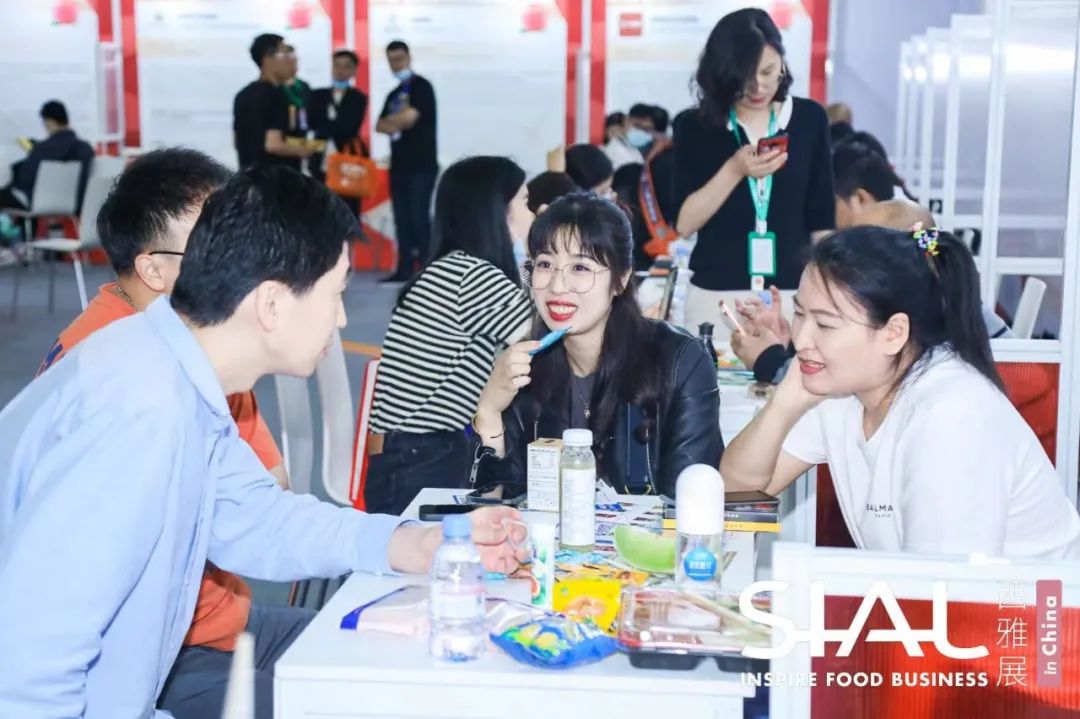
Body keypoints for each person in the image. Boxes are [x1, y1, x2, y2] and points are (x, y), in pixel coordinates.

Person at [0, 165, 525, 719]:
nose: (342, 318)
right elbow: (29, 673)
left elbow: (254, 517)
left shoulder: (174, 374)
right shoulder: (138, 411)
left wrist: (418, 543)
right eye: (335, 294)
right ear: (272, 304)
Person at [32, 148, 303, 718]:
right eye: (215, 245)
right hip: (159, 654)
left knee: (370, 653)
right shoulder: (123, 371)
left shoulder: (190, 335)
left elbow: (267, 493)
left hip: (218, 620)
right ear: (153, 270)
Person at [720, 225, 1080, 559]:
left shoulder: (952, 415)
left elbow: (943, 587)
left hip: (1031, 607)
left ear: (893, 333)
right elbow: (732, 499)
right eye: (800, 314)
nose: (801, 339)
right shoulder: (843, 389)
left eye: (825, 324)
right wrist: (783, 404)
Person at [470, 192, 723, 498]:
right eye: (545, 264)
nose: (557, 286)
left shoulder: (680, 361)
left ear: (620, 280)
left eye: (580, 268)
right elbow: (495, 511)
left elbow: (690, 500)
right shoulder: (525, 368)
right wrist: (489, 412)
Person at [364, 157, 535, 514]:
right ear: (497, 212)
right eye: (525, 201)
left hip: (407, 457)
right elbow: (543, 340)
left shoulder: (452, 268)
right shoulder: (471, 276)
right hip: (422, 461)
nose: (533, 214)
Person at [673, 8, 835, 340]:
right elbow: (685, 223)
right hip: (716, 296)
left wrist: (829, 294)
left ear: (782, 64)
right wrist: (734, 170)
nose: (758, 87)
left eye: (768, 72)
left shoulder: (809, 120)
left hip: (792, 296)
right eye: (744, 77)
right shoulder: (695, 126)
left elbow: (822, 222)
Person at [732, 200, 1012, 385]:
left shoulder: (926, 321)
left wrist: (770, 361)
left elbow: (840, 387)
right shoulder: (941, 295)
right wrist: (791, 346)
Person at [376, 40, 438, 283]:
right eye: (392, 60)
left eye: (400, 59)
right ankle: (404, 268)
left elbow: (408, 120)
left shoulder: (422, 87)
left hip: (421, 166)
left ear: (409, 58)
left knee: (418, 217)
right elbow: (380, 126)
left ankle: (427, 269)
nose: (396, 64)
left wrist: (395, 122)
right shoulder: (394, 93)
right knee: (401, 219)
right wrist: (396, 121)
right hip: (399, 166)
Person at [233, 34, 313, 171]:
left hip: (248, 177)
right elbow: (273, 145)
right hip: (276, 178)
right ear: (268, 59)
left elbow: (236, 141)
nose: (291, 60)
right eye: (285, 54)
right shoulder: (278, 96)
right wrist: (304, 150)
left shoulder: (243, 95)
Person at [1, 100, 93, 213]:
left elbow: (25, 178)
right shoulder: (86, 149)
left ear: (49, 121)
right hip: (76, 205)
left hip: (35, 203)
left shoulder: (42, 149)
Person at [311, 50, 370, 181]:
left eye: (346, 66)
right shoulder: (318, 95)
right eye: (336, 65)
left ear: (354, 71)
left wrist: (327, 125)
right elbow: (313, 123)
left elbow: (349, 128)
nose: (340, 70)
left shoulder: (358, 98)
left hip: (348, 158)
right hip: (319, 158)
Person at [280, 43, 314, 152]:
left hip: (302, 137)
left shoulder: (304, 86)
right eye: (289, 61)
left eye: (295, 60)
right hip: (280, 141)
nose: (293, 64)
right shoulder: (275, 88)